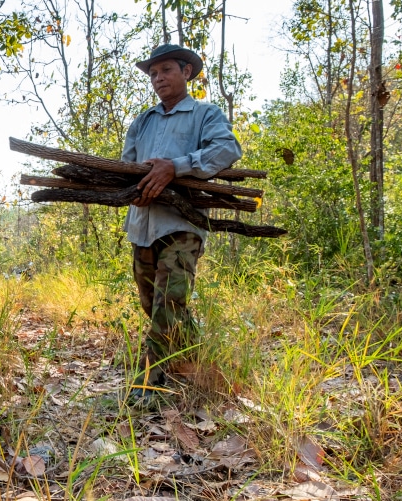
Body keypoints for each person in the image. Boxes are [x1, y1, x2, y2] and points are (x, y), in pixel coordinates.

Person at [120, 44, 242, 402]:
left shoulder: (205, 114)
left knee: (168, 302)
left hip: (182, 225)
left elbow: (227, 149)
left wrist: (177, 166)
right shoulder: (143, 121)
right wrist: (134, 188)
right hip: (142, 223)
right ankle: (196, 360)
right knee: (154, 304)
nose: (158, 79)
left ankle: (146, 388)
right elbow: (126, 165)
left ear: (187, 72)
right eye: (154, 74)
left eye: (167, 70)